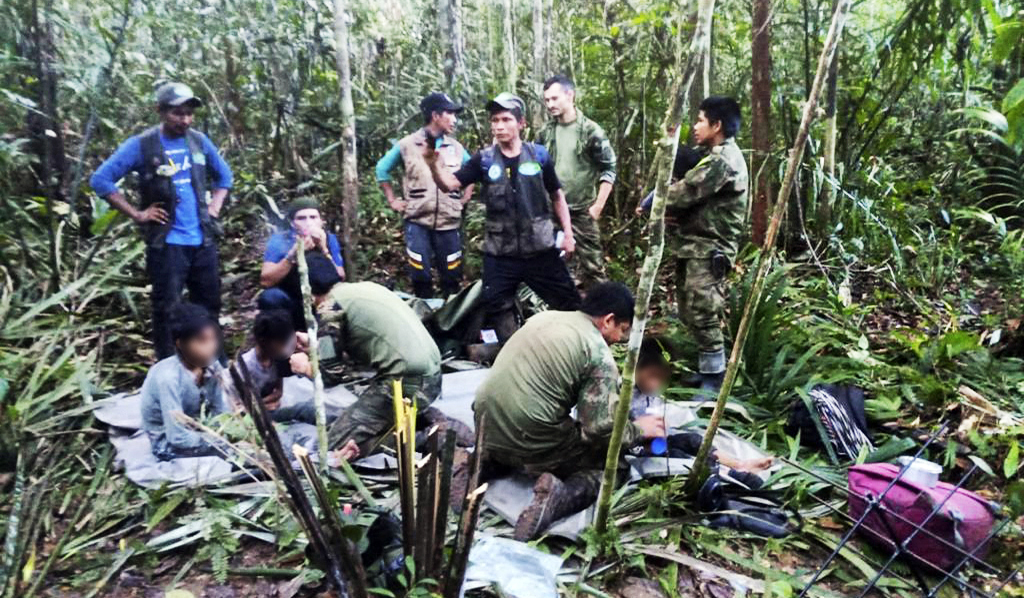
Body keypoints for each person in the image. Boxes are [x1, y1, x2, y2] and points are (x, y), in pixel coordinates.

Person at [472, 282, 667, 540]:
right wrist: (638, 430)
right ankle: (559, 498)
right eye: (622, 330)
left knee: (532, 431)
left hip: (484, 423)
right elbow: (598, 430)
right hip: (530, 435)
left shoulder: (544, 318)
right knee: (614, 469)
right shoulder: (597, 352)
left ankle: (481, 464)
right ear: (608, 320)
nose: (619, 339)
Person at [90, 82, 233, 359]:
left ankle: (216, 364)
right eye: (177, 113)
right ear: (160, 111)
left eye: (189, 114)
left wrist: (214, 206)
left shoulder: (198, 141)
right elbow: (101, 180)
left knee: (209, 305)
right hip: (167, 243)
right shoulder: (142, 145)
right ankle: (170, 366)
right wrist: (137, 214)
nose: (185, 120)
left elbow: (224, 177)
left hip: (202, 239)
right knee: (167, 308)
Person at [424, 92, 581, 341]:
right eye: (495, 120)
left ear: (521, 123)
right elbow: (449, 184)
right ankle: (514, 348)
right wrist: (433, 164)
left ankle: (574, 346)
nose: (499, 126)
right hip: (501, 253)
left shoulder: (539, 155)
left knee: (569, 303)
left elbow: (557, 195)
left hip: (540, 249)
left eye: (506, 120)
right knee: (496, 303)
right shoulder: (484, 160)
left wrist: (568, 235)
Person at [287, 260, 445, 456]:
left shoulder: (330, 307)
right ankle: (415, 423)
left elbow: (330, 376)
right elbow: (366, 342)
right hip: (432, 375)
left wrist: (305, 367)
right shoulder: (364, 288)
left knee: (330, 447)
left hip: (406, 383)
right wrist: (316, 345)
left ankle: (423, 439)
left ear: (308, 295)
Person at [659, 96, 748, 398]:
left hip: (711, 248)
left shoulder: (723, 161)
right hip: (695, 244)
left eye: (700, 121)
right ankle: (706, 367)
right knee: (689, 308)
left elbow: (684, 192)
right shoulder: (711, 155)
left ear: (717, 125)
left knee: (704, 310)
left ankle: (714, 377)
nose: (695, 127)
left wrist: (654, 201)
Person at [375, 93, 473, 298]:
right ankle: (423, 310)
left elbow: (472, 170)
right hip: (417, 220)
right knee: (420, 274)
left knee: (452, 274)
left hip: (448, 222)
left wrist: (465, 197)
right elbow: (382, 169)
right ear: (435, 115)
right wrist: (392, 200)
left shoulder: (456, 148)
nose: (454, 120)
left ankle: (451, 312)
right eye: (450, 114)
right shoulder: (407, 145)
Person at [630, 337, 773, 473]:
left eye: (661, 378)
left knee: (693, 440)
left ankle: (738, 465)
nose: (655, 384)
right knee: (677, 456)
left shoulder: (650, 396)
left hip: (653, 443)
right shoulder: (624, 394)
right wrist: (639, 429)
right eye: (652, 375)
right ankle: (724, 474)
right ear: (636, 368)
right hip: (632, 448)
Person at [537, 76, 617, 290]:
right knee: (552, 267)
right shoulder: (545, 133)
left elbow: (609, 168)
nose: (550, 104)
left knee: (593, 268)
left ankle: (602, 307)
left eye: (554, 98)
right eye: (547, 100)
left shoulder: (591, 131)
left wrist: (598, 206)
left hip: (582, 211)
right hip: (552, 211)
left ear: (570, 95)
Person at [140, 303, 228, 460]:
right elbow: (177, 436)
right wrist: (217, 441)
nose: (211, 346)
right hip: (168, 441)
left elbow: (221, 410)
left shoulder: (213, 366)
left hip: (201, 429)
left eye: (213, 339)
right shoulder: (168, 378)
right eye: (202, 341)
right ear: (180, 344)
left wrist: (225, 431)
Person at [259, 197, 346, 329]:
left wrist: (324, 249)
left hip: (322, 300)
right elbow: (266, 281)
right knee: (271, 298)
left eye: (313, 217)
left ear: (321, 221)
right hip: (292, 299)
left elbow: (340, 276)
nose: (308, 222)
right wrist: (292, 255)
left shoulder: (329, 238)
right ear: (292, 223)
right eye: (301, 218)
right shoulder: (280, 240)